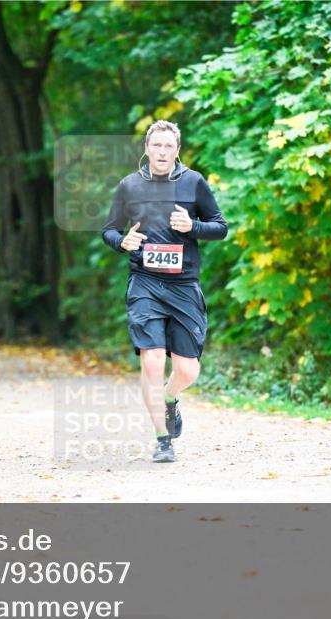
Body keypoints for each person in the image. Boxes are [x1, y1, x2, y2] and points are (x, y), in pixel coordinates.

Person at [101, 120, 228, 463]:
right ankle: (162, 439)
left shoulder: (193, 183)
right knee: (152, 360)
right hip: (145, 282)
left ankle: (171, 398)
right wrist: (122, 241)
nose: (161, 152)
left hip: (184, 285)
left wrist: (193, 226)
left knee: (187, 370)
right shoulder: (129, 186)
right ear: (147, 148)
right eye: (156, 145)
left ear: (177, 150)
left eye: (168, 146)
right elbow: (109, 231)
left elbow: (220, 227)